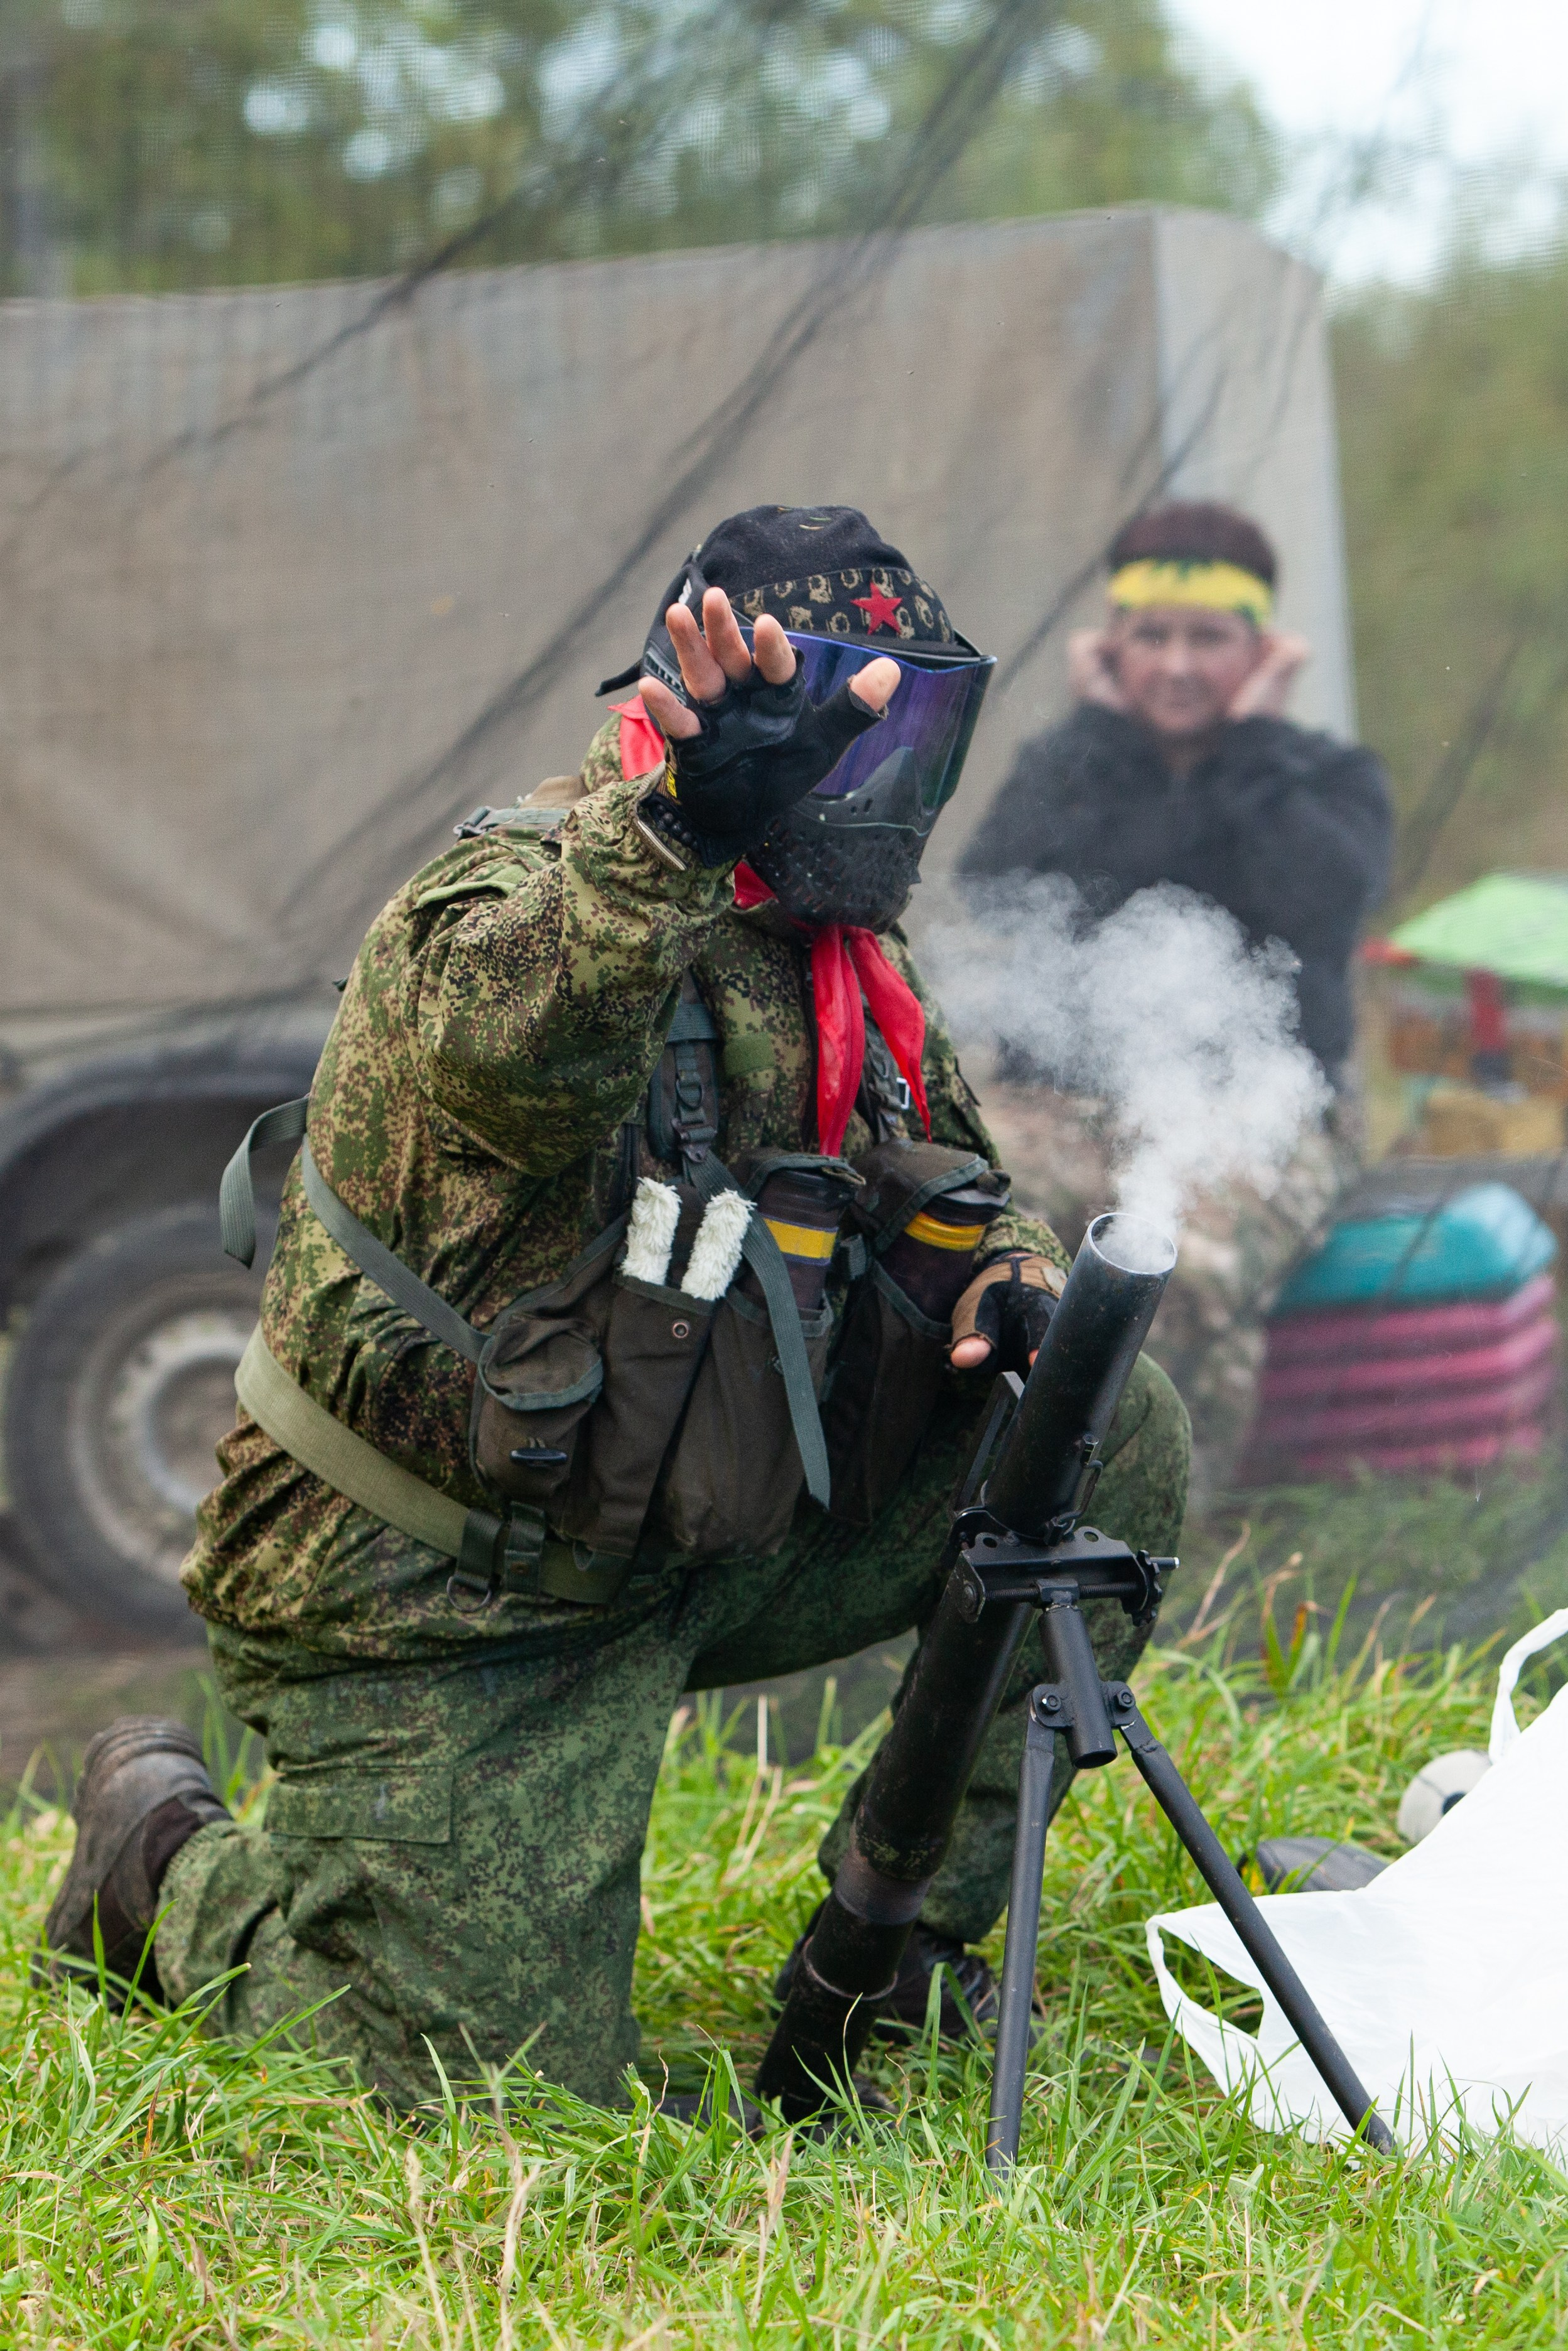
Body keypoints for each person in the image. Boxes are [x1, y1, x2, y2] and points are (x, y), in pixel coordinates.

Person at [42, 505, 1188, 2115]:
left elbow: (950, 1176)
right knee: (502, 2109)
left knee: (1100, 1424)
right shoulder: (519, 893)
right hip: (449, 1600)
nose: (883, 783)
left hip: (692, 1527)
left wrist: (1004, 1277)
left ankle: (901, 1955)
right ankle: (168, 1859)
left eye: (913, 729)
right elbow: (519, 1053)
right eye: (843, 727)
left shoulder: (844, 953)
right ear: (690, 708)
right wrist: (676, 831)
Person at [961, 500, 1392, 1505]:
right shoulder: (1071, 764)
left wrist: (1248, 747)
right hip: (1063, 1106)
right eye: (1150, 636)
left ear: (1262, 649)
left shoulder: (1326, 780)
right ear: (1111, 646)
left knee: (1175, 1269)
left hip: (1258, 1116)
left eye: (1210, 638)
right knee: (981, 1225)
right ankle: (981, 1516)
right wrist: (1097, 735)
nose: (1177, 666)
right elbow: (1000, 891)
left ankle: (1167, 1545)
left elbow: (1316, 906)